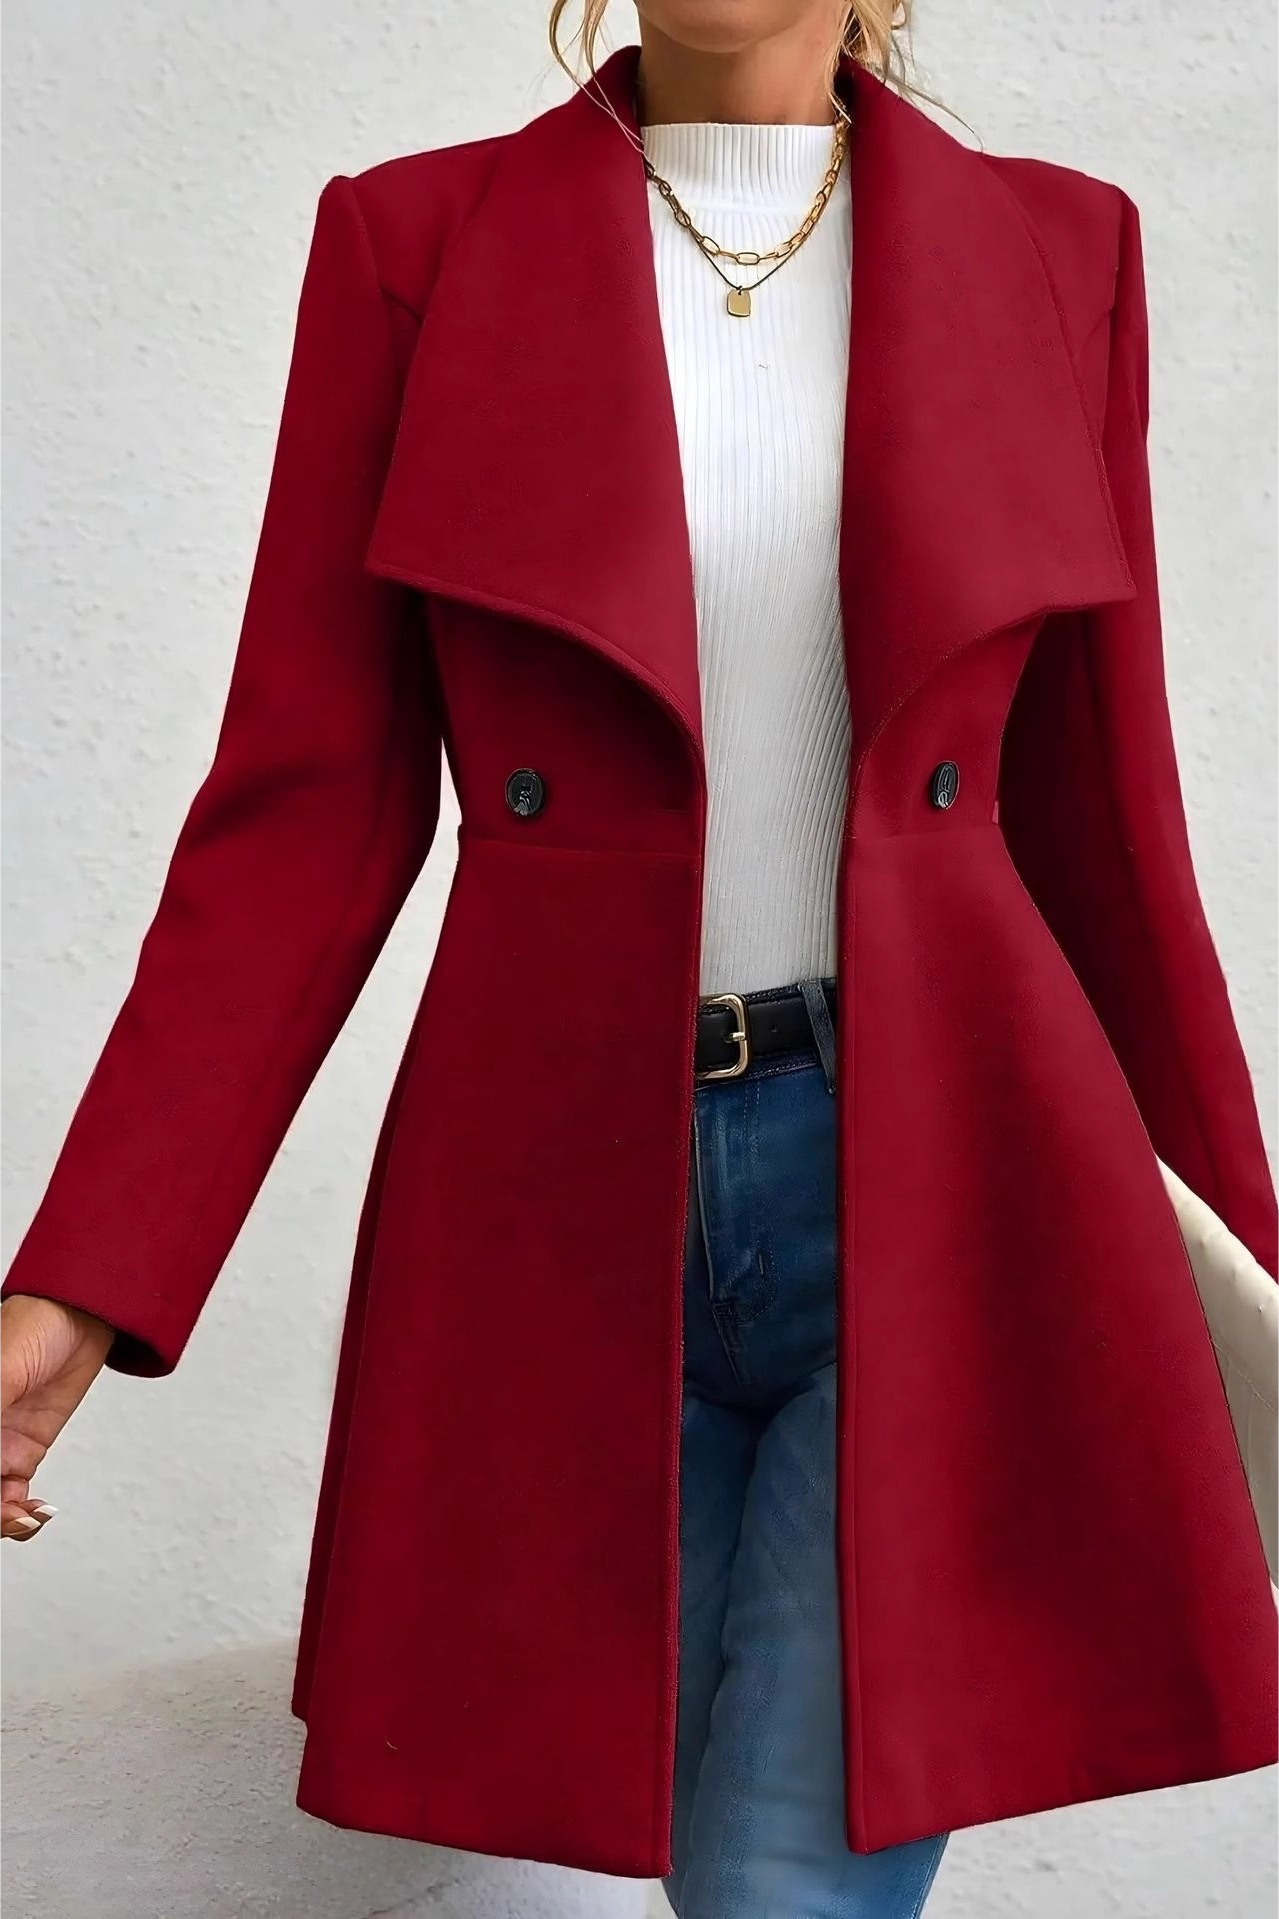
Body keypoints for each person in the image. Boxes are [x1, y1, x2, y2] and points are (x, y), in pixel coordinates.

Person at [4, 5, 1279, 1915]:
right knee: (691, 1848)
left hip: (935, 1180)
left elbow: (1104, 826)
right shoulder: (415, 249)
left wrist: (1245, 1287)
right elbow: (304, 821)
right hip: (554, 1209)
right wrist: (83, 1284)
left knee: (778, 1880)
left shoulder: (1055, 249)